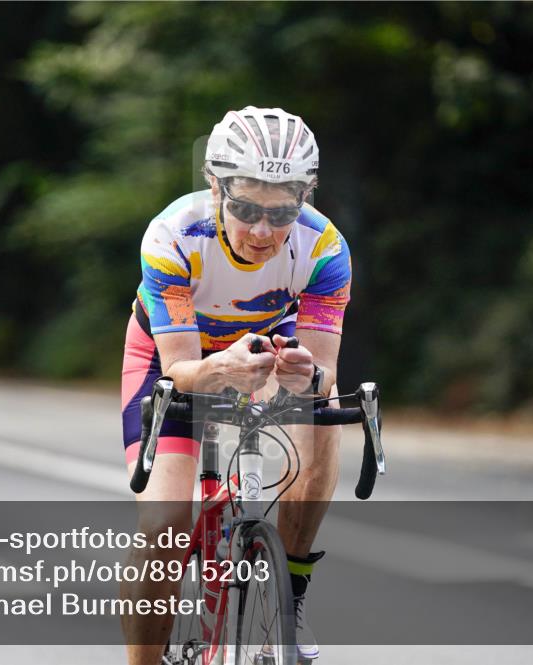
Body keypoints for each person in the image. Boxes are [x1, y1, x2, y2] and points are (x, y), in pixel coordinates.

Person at [120, 106, 351, 664]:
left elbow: (323, 373)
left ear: (305, 197)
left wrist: (308, 377)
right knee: (164, 530)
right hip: (170, 360)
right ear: (216, 186)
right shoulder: (173, 235)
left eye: (282, 212)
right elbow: (179, 371)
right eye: (245, 208)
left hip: (266, 349)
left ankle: (290, 592)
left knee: (325, 420)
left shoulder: (324, 250)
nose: (263, 231)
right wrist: (221, 368)